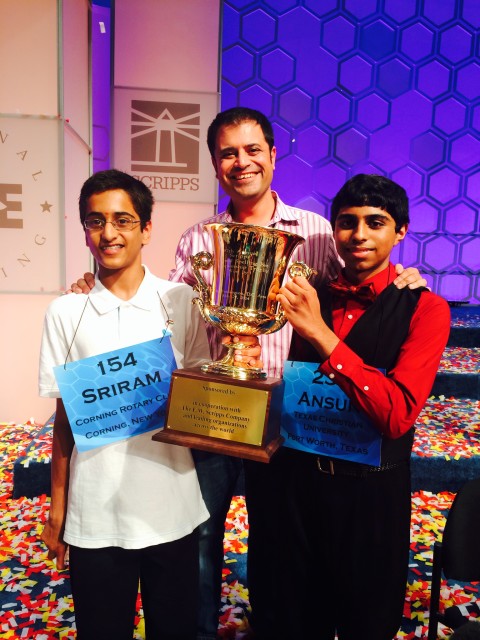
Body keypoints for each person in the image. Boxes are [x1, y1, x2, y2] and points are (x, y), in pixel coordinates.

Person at [70, 108, 426, 639]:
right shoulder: (197, 238)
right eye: (229, 153)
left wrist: (405, 275)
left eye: (253, 149)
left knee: (280, 543)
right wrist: (97, 287)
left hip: (289, 421)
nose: (242, 162)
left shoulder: (318, 232)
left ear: (273, 155)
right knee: (200, 537)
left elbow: (358, 279)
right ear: (216, 163)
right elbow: (168, 315)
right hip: (212, 413)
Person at [38, 169, 260, 640]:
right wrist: (59, 506)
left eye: (123, 220)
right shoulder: (65, 312)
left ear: (146, 229)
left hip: (172, 508)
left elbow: (198, 395)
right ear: (84, 229)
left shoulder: (180, 301)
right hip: (96, 514)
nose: (109, 233)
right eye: (96, 221)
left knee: (175, 630)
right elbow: (65, 421)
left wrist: (238, 374)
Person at [275, 174, 451, 640]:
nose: (358, 235)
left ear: (401, 232)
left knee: (367, 622)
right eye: (347, 222)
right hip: (301, 485)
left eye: (375, 223)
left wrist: (321, 335)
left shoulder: (426, 309)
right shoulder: (311, 295)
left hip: (372, 495)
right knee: (298, 618)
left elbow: (397, 414)